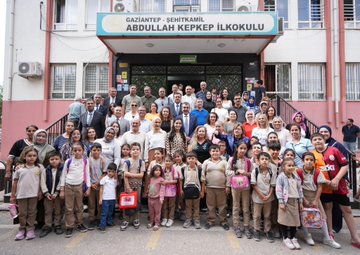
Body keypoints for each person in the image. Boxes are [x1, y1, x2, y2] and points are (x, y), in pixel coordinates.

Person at [311, 133, 360, 249]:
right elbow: (314, 173)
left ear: (324, 140)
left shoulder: (334, 150)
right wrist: (328, 183)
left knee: (347, 210)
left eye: (319, 139)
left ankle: (355, 237)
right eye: (315, 140)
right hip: (325, 188)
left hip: (339, 186)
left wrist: (337, 179)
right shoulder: (312, 155)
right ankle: (330, 234)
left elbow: (344, 165)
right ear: (312, 142)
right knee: (328, 208)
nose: (317, 141)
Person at [298, 152, 341, 249]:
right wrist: (303, 199)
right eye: (307, 160)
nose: (309, 162)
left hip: (315, 196)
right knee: (304, 216)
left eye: (311, 160)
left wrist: (316, 200)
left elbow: (320, 187)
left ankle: (327, 238)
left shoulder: (317, 172)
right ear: (302, 161)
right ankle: (307, 235)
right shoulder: (299, 172)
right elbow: (298, 187)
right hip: (303, 195)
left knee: (322, 216)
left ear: (314, 161)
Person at [10, 146, 44, 241]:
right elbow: (15, 182)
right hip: (21, 195)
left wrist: (41, 191)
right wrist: (13, 195)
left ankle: (30, 229)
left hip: (33, 195)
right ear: (24, 157)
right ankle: (22, 229)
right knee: (22, 213)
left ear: (37, 157)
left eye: (34, 156)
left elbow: (42, 181)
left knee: (32, 212)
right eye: (29, 155)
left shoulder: (39, 168)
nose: (31, 157)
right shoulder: (19, 169)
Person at [60, 142, 90, 238]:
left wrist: (88, 187)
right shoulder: (68, 161)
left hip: (80, 186)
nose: (77, 152)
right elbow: (63, 175)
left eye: (79, 150)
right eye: (75, 150)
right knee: (69, 208)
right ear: (72, 151)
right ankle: (69, 226)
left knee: (79, 206)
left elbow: (87, 174)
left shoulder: (85, 161)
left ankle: (79, 223)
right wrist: (62, 189)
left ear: (83, 151)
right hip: (68, 185)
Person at [226, 142, 253, 239]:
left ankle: (246, 226)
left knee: (246, 208)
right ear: (237, 148)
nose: (242, 150)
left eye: (244, 149)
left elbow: (252, 173)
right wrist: (236, 172)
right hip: (235, 187)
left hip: (246, 187)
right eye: (241, 148)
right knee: (236, 206)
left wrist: (246, 173)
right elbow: (227, 171)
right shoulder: (232, 160)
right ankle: (236, 226)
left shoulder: (249, 161)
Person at [276, 159, 303, 250]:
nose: (291, 167)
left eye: (293, 166)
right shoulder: (281, 177)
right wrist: (281, 202)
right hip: (285, 202)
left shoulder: (296, 177)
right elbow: (279, 189)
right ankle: (286, 238)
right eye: (289, 166)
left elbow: (300, 189)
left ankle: (292, 237)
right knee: (284, 220)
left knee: (295, 221)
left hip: (294, 201)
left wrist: (301, 202)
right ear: (283, 167)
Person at [201, 145, 229, 230]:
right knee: (210, 205)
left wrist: (228, 186)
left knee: (222, 205)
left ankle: (223, 221)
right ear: (210, 152)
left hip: (222, 188)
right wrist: (204, 187)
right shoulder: (206, 162)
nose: (215, 153)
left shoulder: (224, 162)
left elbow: (228, 175)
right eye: (213, 151)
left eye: (217, 151)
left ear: (220, 152)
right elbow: (203, 175)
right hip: (209, 187)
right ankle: (210, 221)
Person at [251, 152, 277, 242]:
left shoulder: (271, 172)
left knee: (267, 215)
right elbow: (254, 185)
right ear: (258, 161)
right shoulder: (255, 171)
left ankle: (267, 230)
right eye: (262, 159)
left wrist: (269, 195)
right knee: (257, 215)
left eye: (266, 159)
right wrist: (261, 195)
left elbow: (272, 185)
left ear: (269, 161)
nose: (264, 161)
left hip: (268, 197)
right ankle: (256, 230)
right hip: (258, 197)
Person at [121, 142, 146, 231]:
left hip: (138, 186)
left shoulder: (141, 162)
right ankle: (126, 220)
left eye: (137, 149)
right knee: (127, 203)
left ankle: (136, 219)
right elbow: (125, 175)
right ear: (130, 151)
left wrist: (130, 174)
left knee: (137, 202)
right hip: (128, 186)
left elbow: (141, 175)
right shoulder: (127, 162)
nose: (135, 151)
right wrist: (127, 186)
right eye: (133, 149)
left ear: (140, 151)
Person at [39, 150, 64, 238]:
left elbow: (61, 181)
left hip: (57, 195)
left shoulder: (62, 170)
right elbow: (42, 182)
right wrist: (46, 193)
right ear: (48, 160)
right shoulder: (46, 170)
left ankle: (57, 224)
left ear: (60, 160)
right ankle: (48, 226)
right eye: (52, 159)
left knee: (58, 210)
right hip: (48, 195)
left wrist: (57, 192)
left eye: (56, 159)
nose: (54, 161)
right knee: (48, 211)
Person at [180, 152, 203, 229]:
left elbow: (202, 181)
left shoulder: (199, 169)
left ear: (196, 160)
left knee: (196, 206)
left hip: (196, 189)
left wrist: (202, 191)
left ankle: (196, 220)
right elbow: (181, 180)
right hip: (187, 190)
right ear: (186, 160)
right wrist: (181, 190)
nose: (191, 160)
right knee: (188, 206)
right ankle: (188, 219)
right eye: (189, 158)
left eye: (193, 158)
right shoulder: (183, 169)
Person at [87, 143, 106, 230]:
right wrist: (91, 184)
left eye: (98, 150)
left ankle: (99, 218)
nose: (96, 152)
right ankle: (91, 219)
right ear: (91, 151)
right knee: (91, 203)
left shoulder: (102, 160)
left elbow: (104, 173)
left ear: (101, 151)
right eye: (94, 150)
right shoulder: (88, 160)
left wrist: (98, 183)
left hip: (100, 185)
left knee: (99, 202)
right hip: (91, 185)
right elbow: (86, 174)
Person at [98, 163, 118, 232]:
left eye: (112, 172)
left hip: (112, 198)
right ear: (107, 171)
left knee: (110, 212)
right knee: (104, 212)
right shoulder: (104, 179)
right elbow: (101, 189)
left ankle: (109, 222)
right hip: (105, 199)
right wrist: (100, 198)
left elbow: (114, 188)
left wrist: (115, 198)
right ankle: (102, 225)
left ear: (115, 172)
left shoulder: (114, 180)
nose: (110, 173)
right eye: (109, 171)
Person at [161, 155, 179, 228]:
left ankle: (171, 218)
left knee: (171, 205)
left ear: (172, 162)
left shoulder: (174, 170)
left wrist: (167, 182)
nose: (167, 162)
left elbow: (175, 180)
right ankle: (165, 218)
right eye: (166, 161)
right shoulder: (162, 169)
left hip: (172, 190)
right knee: (164, 205)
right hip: (164, 190)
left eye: (169, 161)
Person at [147, 164, 165, 231]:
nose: (158, 172)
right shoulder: (151, 178)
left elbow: (162, 190)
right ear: (153, 171)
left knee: (157, 212)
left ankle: (157, 223)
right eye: (156, 170)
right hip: (150, 198)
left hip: (157, 199)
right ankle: (151, 222)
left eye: (159, 170)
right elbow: (150, 186)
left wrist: (161, 198)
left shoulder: (161, 179)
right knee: (151, 211)